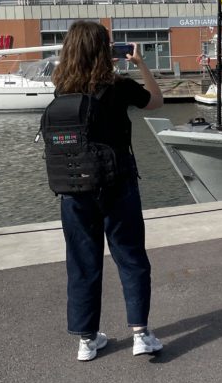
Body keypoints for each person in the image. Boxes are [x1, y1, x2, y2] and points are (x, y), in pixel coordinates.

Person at [51, 20, 165, 361]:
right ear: (105, 51)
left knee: (82, 263)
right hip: (117, 185)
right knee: (130, 258)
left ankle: (87, 340)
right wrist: (140, 64)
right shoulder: (118, 87)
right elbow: (156, 101)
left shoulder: (61, 88)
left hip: (73, 189)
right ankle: (141, 334)